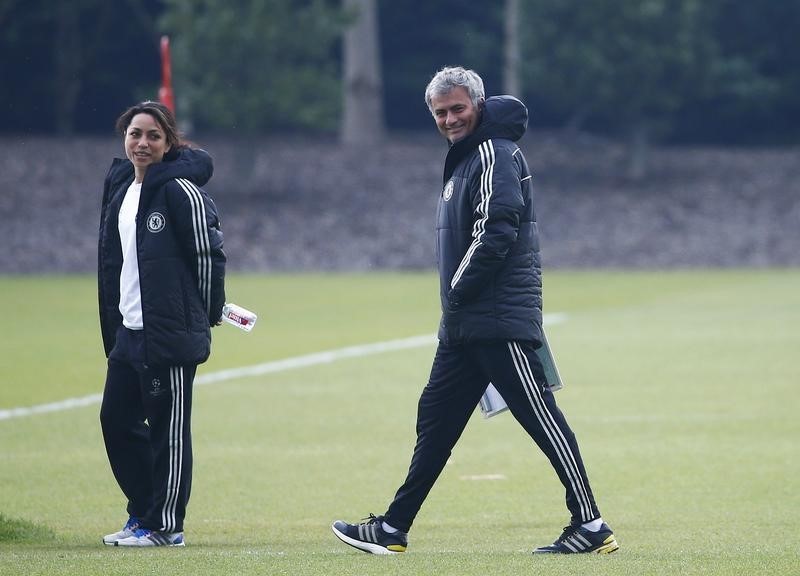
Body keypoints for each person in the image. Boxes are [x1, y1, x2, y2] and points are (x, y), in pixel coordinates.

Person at [331, 66, 618, 555]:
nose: (449, 119)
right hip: (465, 324)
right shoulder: (466, 158)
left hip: (496, 319)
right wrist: (456, 307)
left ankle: (589, 524)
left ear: (478, 105)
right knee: (435, 421)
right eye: (440, 112)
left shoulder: (494, 152)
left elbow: (497, 227)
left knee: (542, 420)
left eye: (457, 108)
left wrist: (459, 289)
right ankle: (394, 528)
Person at [98, 101, 226, 547]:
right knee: (115, 421)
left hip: (167, 335)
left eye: (153, 136)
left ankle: (164, 525)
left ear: (170, 142)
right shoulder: (120, 189)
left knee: (167, 434)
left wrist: (208, 313)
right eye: (135, 134)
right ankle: (143, 512)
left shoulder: (181, 192)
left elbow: (208, 256)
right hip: (127, 333)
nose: (142, 143)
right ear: (124, 138)